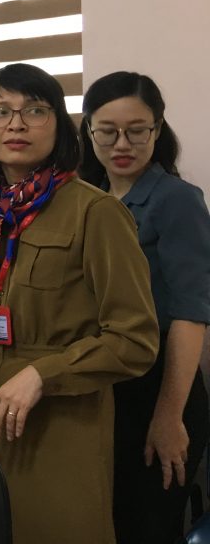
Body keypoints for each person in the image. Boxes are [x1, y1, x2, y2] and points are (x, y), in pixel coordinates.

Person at [0, 63, 159, 544]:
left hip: (61, 422)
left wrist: (42, 375)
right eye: (0, 111)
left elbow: (134, 340)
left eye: (34, 110)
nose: (15, 124)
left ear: (59, 124)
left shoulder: (97, 213)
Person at [80, 71, 210, 544]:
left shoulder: (176, 201)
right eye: (107, 130)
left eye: (138, 130)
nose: (122, 143)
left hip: (157, 388)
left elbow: (191, 313)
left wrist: (169, 414)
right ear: (88, 130)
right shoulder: (87, 199)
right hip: (103, 388)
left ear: (157, 130)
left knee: (146, 527)